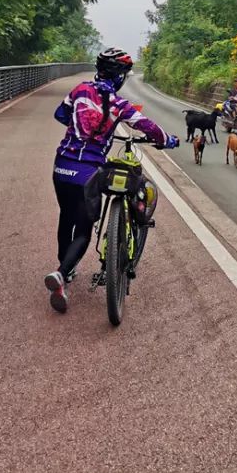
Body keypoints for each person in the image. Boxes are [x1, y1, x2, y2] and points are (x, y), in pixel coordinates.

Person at [44, 47, 178, 313]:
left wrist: (80, 125)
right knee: (84, 230)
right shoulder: (118, 104)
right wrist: (168, 140)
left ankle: (65, 274)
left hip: (61, 167)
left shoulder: (80, 90)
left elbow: (60, 115)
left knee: (66, 217)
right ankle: (61, 273)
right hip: (88, 172)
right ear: (119, 76)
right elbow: (147, 126)